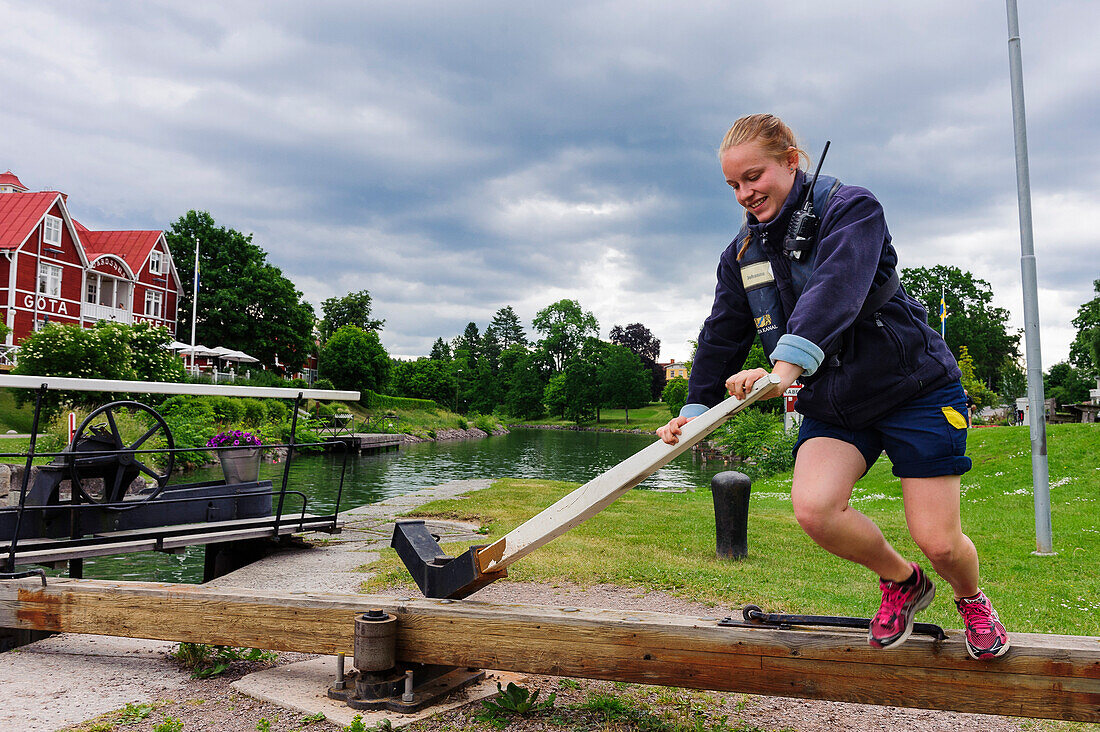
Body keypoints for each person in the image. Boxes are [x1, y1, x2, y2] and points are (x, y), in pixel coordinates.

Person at [657, 114, 1009, 660]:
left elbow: (836, 288)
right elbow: (723, 329)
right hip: (837, 399)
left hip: (912, 386)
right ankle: (902, 582)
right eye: (733, 185)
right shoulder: (743, 254)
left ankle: (972, 600)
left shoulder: (853, 209)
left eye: (754, 177)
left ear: (791, 160)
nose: (745, 194)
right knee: (815, 509)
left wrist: (783, 370)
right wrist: (696, 407)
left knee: (938, 540)